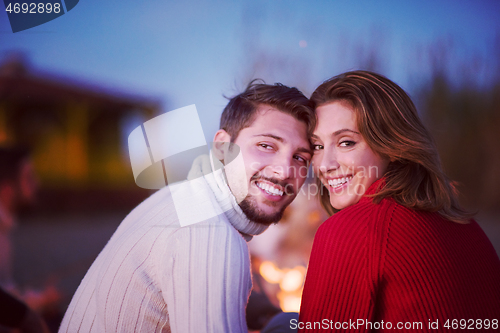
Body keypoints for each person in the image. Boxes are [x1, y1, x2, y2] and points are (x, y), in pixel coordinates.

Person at [59, 81, 315, 332]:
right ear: (222, 147)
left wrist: (260, 310)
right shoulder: (214, 236)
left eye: (300, 157)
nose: (285, 171)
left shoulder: (179, 197)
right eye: (266, 146)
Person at [298, 71, 500, 332]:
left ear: (391, 144)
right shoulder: (465, 223)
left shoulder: (352, 230)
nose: (324, 165)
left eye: (346, 142)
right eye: (317, 146)